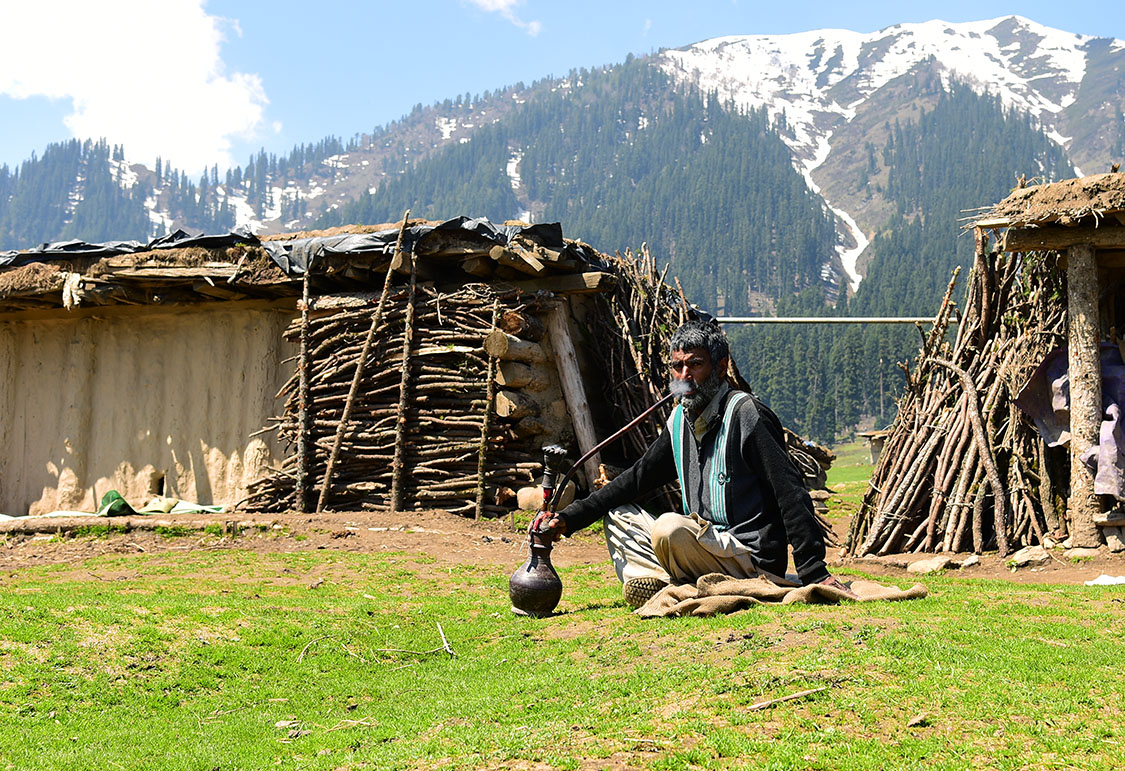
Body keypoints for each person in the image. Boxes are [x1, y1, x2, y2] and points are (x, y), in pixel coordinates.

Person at [535, 320, 853, 608]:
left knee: (669, 528)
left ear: (720, 368)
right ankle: (659, 583)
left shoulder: (746, 415)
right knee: (620, 517)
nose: (684, 376)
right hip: (705, 546)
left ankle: (672, 585)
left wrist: (813, 571)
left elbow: (790, 492)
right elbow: (636, 479)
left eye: (695, 365)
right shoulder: (679, 423)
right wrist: (570, 518)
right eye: (677, 367)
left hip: (748, 558)